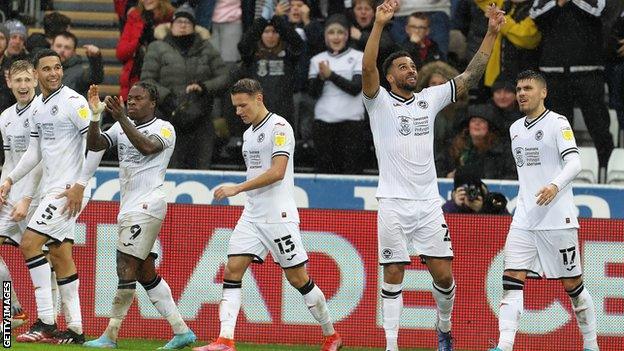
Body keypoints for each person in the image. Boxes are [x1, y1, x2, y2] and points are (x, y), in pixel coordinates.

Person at [361, 1, 505, 350]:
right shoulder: (378, 101)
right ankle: (392, 345)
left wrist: (491, 33)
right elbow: (367, 68)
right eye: (403, 66)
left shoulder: (429, 98)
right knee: (393, 273)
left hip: (427, 205)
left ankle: (443, 328)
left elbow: (470, 76)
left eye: (412, 65)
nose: (411, 69)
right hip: (393, 202)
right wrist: (379, 25)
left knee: (444, 276)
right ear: (390, 76)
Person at [192, 78, 342, 351]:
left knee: (298, 279)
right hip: (252, 214)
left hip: (278, 215)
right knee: (232, 269)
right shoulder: (249, 134)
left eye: (242, 105)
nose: (238, 111)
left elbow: (277, 172)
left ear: (258, 98)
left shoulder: (280, 127)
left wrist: (238, 187)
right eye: (235, 106)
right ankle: (225, 340)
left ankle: (331, 334)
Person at [488, 70, 599, 351]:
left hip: (557, 218)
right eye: (519, 88)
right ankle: (504, 346)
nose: (521, 93)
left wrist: (554, 185)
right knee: (511, 279)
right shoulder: (515, 129)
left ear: (543, 92)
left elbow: (574, 163)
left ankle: (591, 344)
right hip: (524, 218)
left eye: (527, 88)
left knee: (573, 286)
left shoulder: (557, 123)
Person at [0, 49, 104, 344]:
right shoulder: (38, 109)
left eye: (57, 67)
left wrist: (81, 185)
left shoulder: (73, 102)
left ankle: (45, 322)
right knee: (60, 255)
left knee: (31, 244)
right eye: (46, 69)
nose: (54, 73)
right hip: (53, 189)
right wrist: (9, 179)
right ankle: (76, 329)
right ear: (36, 74)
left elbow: (97, 144)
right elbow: (34, 153)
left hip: (68, 190)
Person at [81, 82, 196, 349]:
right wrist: (96, 115)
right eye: (129, 98)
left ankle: (110, 335)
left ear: (152, 103)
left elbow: (147, 147)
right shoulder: (121, 126)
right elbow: (96, 144)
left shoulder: (164, 128)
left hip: (148, 205)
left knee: (125, 265)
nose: (131, 102)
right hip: (130, 205)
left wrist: (120, 116)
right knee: (145, 272)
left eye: (138, 99)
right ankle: (182, 331)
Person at [141, 3, 229, 169]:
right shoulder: (157, 48)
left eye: (187, 22)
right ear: (171, 26)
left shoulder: (207, 49)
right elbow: (146, 80)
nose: (182, 25)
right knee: (168, 168)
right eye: (178, 22)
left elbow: (225, 77)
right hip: (167, 117)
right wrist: (167, 98)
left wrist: (204, 86)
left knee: (201, 170)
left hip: (201, 118)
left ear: (194, 27)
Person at [0, 60, 45, 330]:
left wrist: (27, 197)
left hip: (37, 197)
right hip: (12, 194)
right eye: (18, 81)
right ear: (9, 83)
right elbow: (10, 159)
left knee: (45, 260)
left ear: (36, 81)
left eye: (28, 80)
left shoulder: (43, 112)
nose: (23, 86)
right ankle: (14, 310)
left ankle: (49, 321)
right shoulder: (5, 117)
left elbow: (40, 160)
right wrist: (3, 185)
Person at [308, 14, 365, 174]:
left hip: (352, 123)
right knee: (325, 170)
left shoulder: (358, 57)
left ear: (347, 35)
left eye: (340, 32)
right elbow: (313, 94)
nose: (336, 37)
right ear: (325, 36)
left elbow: (355, 88)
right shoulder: (317, 60)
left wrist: (330, 75)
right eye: (331, 32)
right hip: (324, 124)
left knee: (351, 171)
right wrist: (320, 77)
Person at [438, 103, 516, 180]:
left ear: (489, 127)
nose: (477, 124)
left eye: (482, 121)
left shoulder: (502, 151)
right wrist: (446, 177)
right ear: (468, 126)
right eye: (473, 121)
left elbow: (511, 176)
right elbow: (437, 168)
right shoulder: (454, 148)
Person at [117, 0, 174, 100]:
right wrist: (139, 41)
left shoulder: (172, 18)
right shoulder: (134, 17)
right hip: (134, 79)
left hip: (163, 81)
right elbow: (121, 53)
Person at [51, 31, 104, 97]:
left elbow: (96, 77)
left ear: (74, 52)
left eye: (67, 48)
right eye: (58, 46)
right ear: (52, 47)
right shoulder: (41, 68)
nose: (62, 50)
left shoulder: (81, 73)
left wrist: (95, 58)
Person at [441, 167, 509, 214]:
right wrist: (455, 206)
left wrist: (483, 209)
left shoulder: (492, 204)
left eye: (473, 189)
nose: (470, 193)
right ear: (456, 192)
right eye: (465, 189)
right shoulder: (448, 207)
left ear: (480, 188)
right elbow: (442, 228)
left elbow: (505, 225)